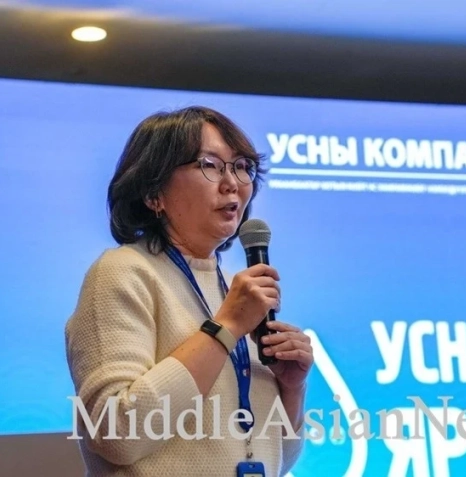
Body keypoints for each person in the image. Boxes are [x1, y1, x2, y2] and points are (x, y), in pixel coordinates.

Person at [65, 106, 312, 476]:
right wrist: (225, 327)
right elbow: (116, 434)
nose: (233, 182)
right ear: (154, 194)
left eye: (241, 166)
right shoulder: (122, 272)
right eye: (210, 165)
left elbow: (277, 458)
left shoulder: (234, 291)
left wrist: (291, 389)